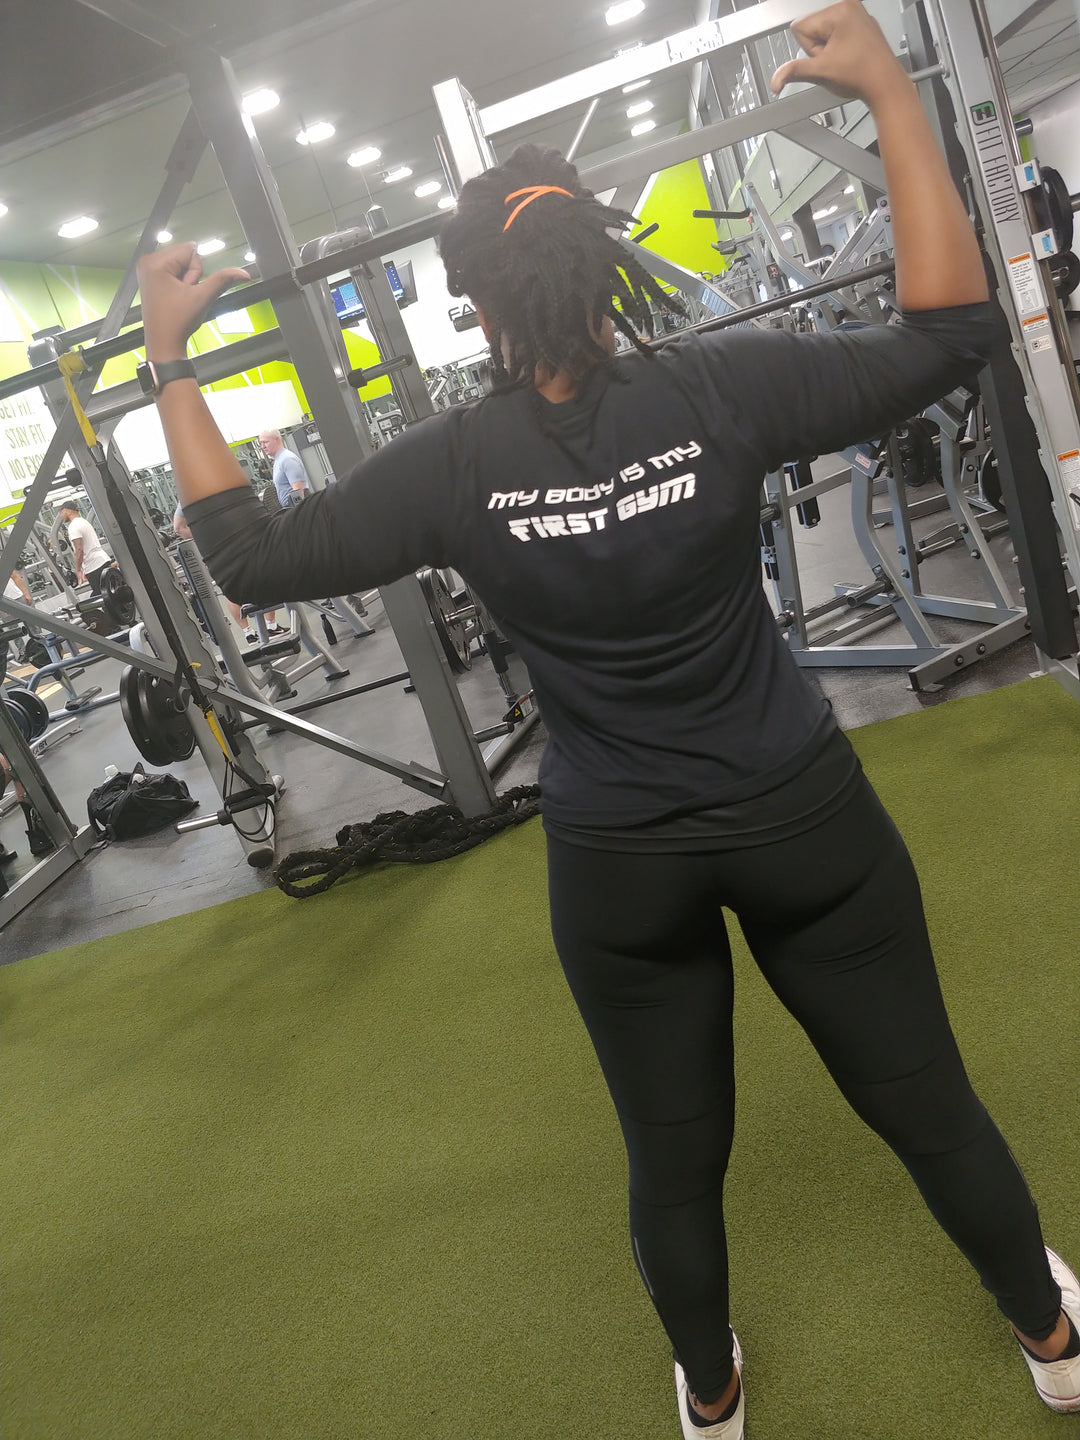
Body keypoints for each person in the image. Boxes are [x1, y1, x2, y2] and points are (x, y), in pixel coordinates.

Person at [134, 5, 1079, 1434]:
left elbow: (252, 555)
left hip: (621, 861)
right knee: (925, 1100)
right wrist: (889, 88)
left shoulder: (453, 465)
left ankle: (710, 1395)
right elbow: (950, 330)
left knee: (672, 1156)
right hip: (802, 819)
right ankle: (1054, 1336)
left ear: (479, 301)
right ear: (601, 264)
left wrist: (170, 359)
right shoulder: (718, 388)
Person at [172, 505, 283, 642]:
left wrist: (205, 540)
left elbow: (179, 528)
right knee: (258, 580)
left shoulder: (189, 493)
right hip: (236, 542)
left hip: (223, 546)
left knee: (232, 587)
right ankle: (269, 627)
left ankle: (251, 633)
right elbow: (178, 527)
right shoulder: (208, 488)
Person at [58, 500, 113, 592]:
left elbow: (79, 550)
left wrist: (78, 570)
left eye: (61, 512)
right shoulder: (84, 522)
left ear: (68, 510)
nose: (61, 516)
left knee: (106, 597)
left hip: (94, 567)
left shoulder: (73, 526)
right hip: (103, 560)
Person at [258, 429, 310, 508]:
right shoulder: (278, 459)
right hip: (290, 508)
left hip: (297, 508)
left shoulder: (287, 459)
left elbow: (298, 491)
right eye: (261, 443)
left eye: (265, 442)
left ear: (277, 439)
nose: (263, 447)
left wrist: (297, 515)